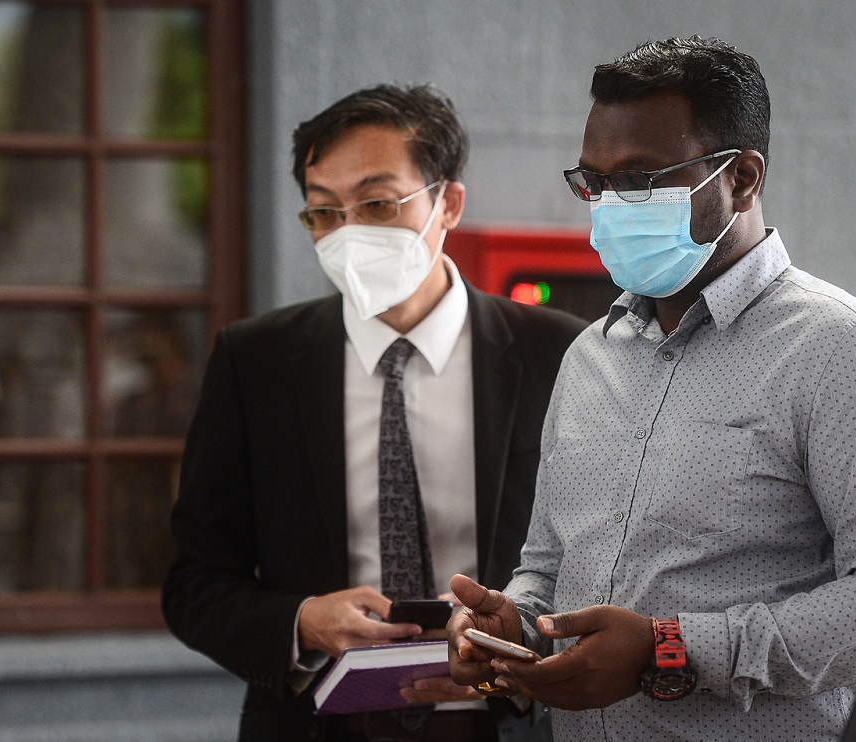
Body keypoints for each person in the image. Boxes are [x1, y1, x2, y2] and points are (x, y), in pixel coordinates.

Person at [447, 36, 856, 741]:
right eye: (594, 182)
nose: (609, 206)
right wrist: (517, 623)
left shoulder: (844, 349)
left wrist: (671, 649)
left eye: (640, 179)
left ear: (743, 178)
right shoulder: (589, 356)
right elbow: (549, 566)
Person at [162, 83, 587, 742]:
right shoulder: (256, 361)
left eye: (378, 203)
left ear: (448, 202)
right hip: (316, 725)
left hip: (507, 724)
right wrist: (302, 620)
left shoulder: (559, 352)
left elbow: (611, 562)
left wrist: (515, 657)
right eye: (324, 212)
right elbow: (194, 583)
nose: (348, 232)